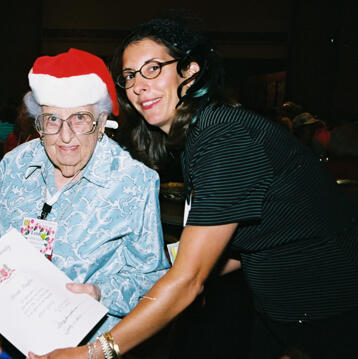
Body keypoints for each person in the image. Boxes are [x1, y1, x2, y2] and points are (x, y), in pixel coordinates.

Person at [31, 18, 358, 359]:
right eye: (129, 76)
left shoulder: (223, 137)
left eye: (153, 69)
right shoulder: (201, 133)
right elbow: (241, 245)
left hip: (332, 310)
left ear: (189, 71)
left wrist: (93, 353)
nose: (139, 86)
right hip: (285, 309)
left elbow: (189, 280)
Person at [0, 48, 169, 359]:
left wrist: (100, 292)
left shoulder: (133, 182)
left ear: (103, 121)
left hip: (87, 347)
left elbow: (151, 277)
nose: (66, 136)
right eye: (53, 119)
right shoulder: (14, 166)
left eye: (80, 118)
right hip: (13, 339)